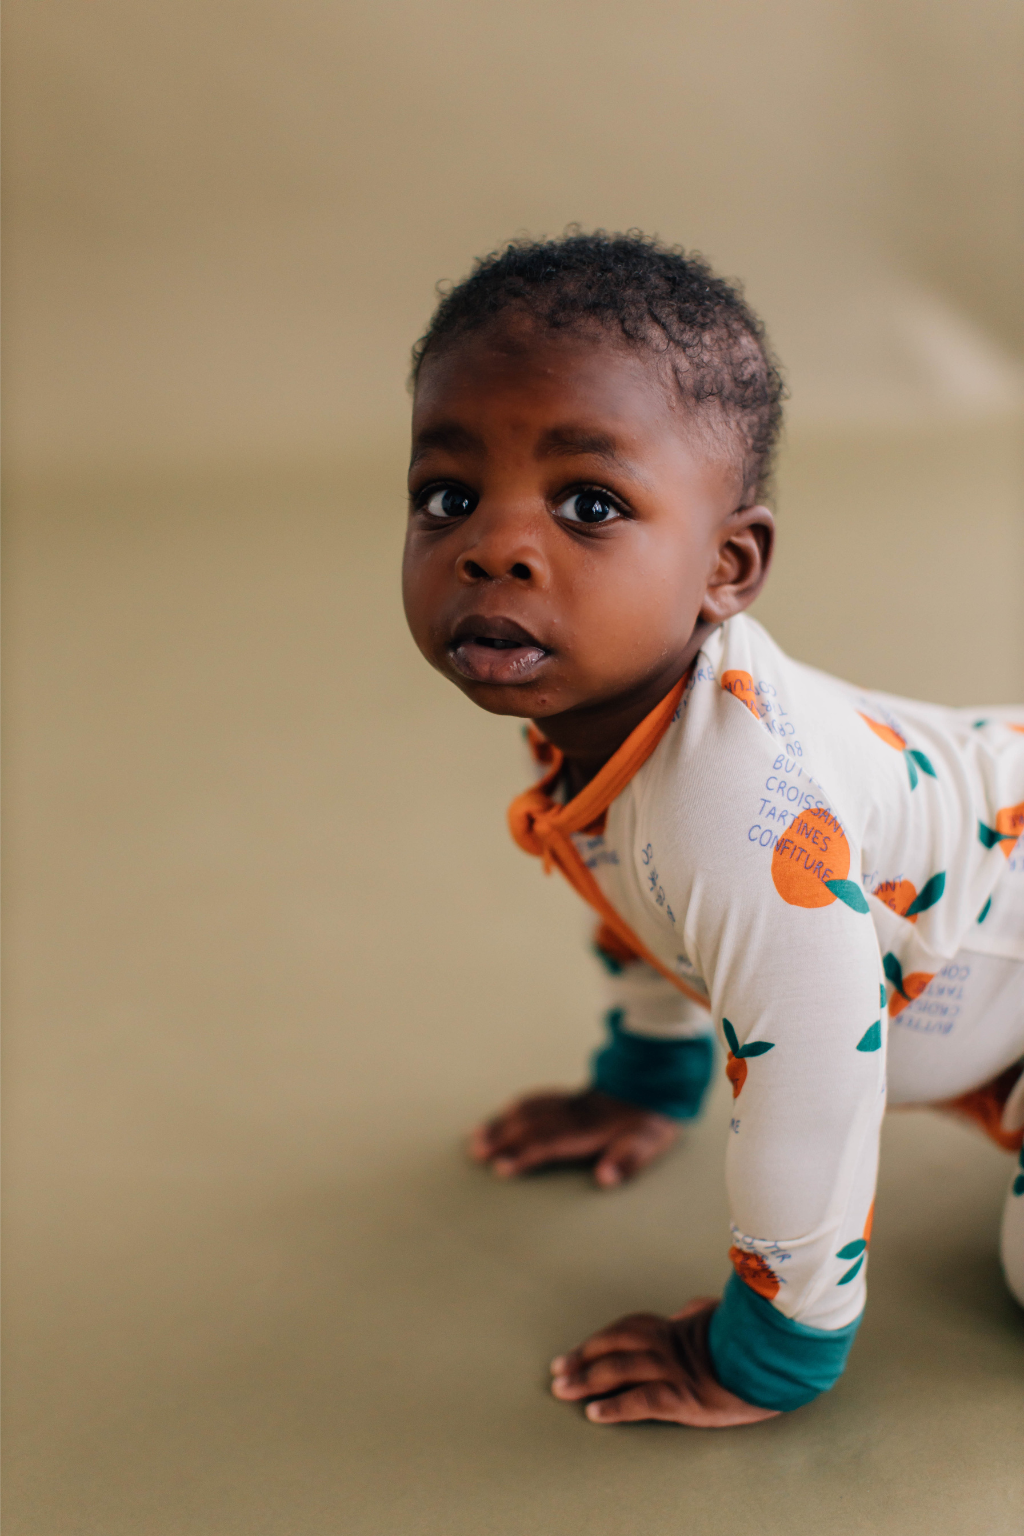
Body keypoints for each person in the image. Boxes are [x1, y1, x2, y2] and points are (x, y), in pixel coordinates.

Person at [401, 231, 1024, 1428]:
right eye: (448, 495)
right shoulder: (606, 714)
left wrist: (768, 1352)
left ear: (725, 565)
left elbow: (811, 1088)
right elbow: (639, 899)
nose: (493, 544)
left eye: (589, 504)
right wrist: (649, 1079)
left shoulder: (744, 808)